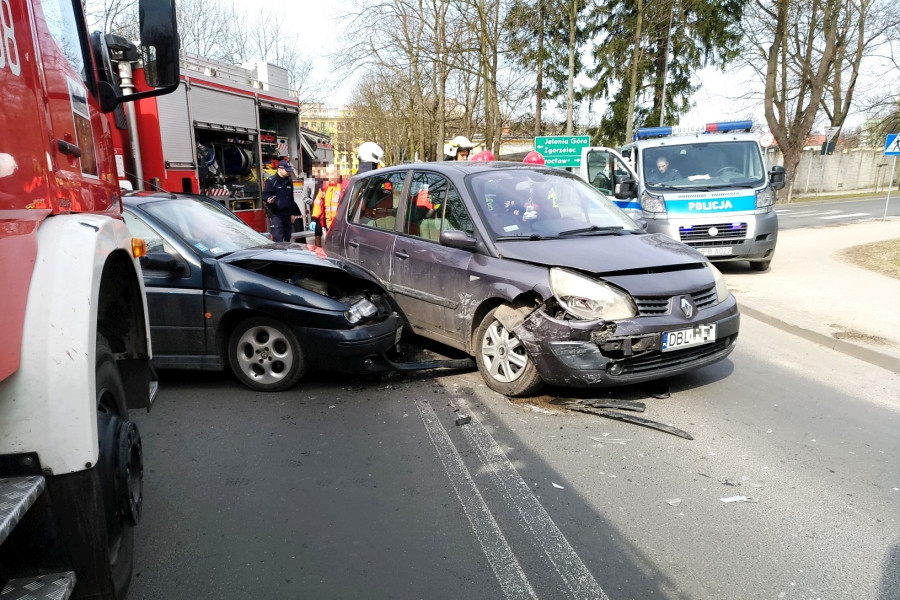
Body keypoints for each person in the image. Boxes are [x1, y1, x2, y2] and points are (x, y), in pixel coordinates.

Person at [263, 160, 301, 242]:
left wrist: (292, 214)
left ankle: (286, 253)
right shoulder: (271, 181)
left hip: (287, 214)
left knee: (288, 237)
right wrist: (268, 199)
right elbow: (264, 195)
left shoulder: (288, 182)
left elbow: (291, 198)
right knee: (278, 237)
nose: (288, 172)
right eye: (286, 170)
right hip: (276, 214)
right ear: (280, 169)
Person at [311, 172, 344, 247]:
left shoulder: (342, 188)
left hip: (339, 225)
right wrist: (314, 218)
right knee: (329, 247)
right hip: (328, 225)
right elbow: (318, 203)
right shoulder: (324, 189)